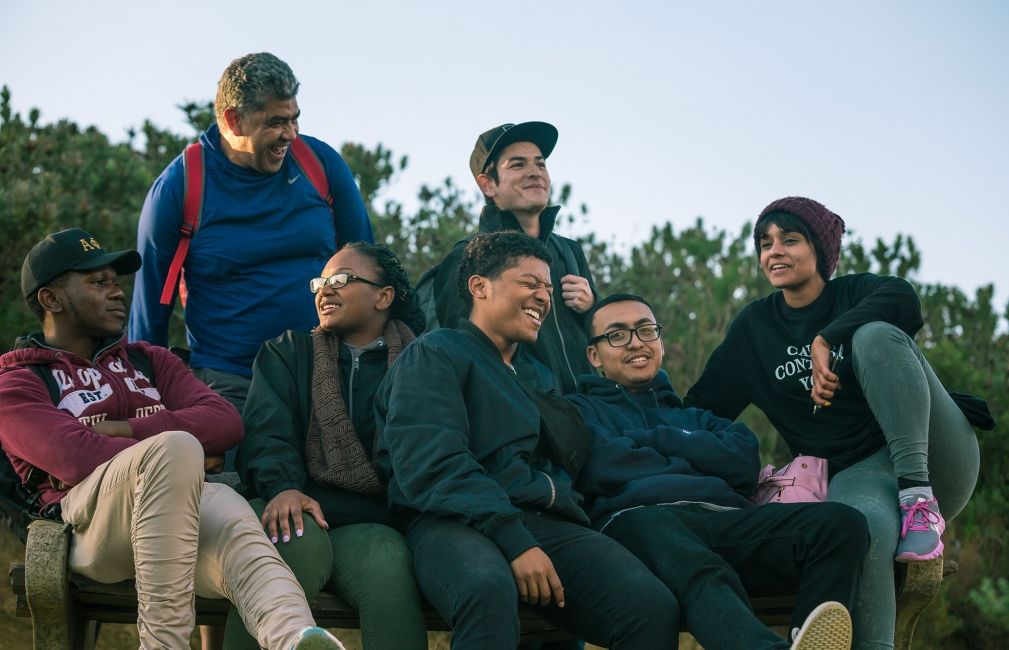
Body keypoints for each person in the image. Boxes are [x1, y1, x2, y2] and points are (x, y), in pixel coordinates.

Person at [0, 228, 344, 650]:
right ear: (51, 299)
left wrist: (127, 430)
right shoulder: (18, 381)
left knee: (230, 515)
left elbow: (225, 422)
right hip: (87, 530)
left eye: (116, 282)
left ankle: (295, 637)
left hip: (171, 525)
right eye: (97, 282)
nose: (117, 293)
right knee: (177, 449)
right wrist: (185, 457)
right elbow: (73, 458)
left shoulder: (149, 360)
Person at [684, 196, 981, 649]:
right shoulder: (755, 330)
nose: (774, 251)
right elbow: (701, 409)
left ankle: (919, 500)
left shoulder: (854, 293)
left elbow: (904, 299)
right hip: (859, 473)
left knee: (875, 334)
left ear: (820, 250)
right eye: (765, 243)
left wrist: (828, 337)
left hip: (934, 453)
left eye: (790, 239)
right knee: (860, 531)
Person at [375, 231, 678, 649]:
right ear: (479, 286)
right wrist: (514, 540)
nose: (543, 297)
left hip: (546, 522)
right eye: (529, 283)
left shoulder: (540, 377)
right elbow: (432, 463)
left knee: (650, 605)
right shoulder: (436, 353)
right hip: (452, 521)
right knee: (487, 589)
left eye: (548, 288)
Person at [569, 292, 867, 649]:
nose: (636, 343)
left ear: (660, 342)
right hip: (637, 523)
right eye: (617, 335)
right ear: (594, 355)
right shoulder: (579, 410)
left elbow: (743, 461)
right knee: (693, 563)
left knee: (839, 525)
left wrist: (657, 441)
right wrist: (693, 452)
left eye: (646, 330)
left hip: (723, 519)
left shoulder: (694, 417)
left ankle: (807, 641)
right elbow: (603, 465)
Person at [129, 51, 373, 416]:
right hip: (229, 387)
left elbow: (370, 266)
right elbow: (150, 313)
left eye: (295, 119)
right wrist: (143, 403)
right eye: (276, 122)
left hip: (326, 374)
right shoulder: (179, 188)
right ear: (233, 120)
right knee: (234, 477)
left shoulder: (320, 163)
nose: (290, 134)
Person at [225, 242, 427, 650]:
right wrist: (282, 486)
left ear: (384, 296)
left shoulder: (422, 363)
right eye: (320, 281)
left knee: (388, 564)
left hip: (378, 521)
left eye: (342, 280)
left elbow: (419, 459)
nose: (324, 290)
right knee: (291, 540)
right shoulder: (287, 353)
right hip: (293, 502)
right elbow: (266, 434)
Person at [431, 121, 595, 394]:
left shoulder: (570, 251)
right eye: (518, 165)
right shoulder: (466, 256)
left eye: (540, 164)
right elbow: (461, 351)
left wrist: (592, 308)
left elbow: (602, 340)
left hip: (589, 415)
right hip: (527, 416)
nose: (535, 173)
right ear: (488, 185)